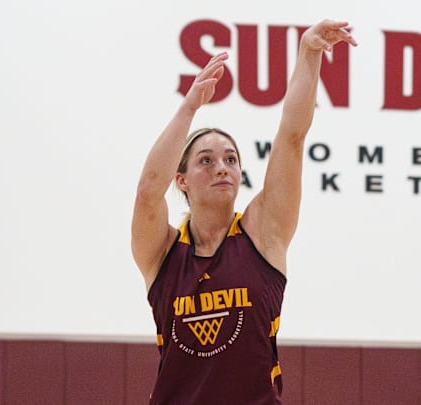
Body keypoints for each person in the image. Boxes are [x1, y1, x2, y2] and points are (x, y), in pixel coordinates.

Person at [131, 19, 357, 404]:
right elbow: (149, 191)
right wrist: (189, 108)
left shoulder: (262, 233)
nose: (222, 167)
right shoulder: (162, 253)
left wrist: (309, 53)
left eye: (230, 159)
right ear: (181, 180)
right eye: (206, 160)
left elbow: (291, 136)